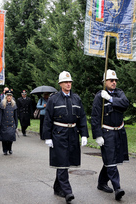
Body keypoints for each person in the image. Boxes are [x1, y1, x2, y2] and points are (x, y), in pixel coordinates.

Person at [43, 71, 88, 203]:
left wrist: (84, 133)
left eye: (70, 82)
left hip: (73, 133)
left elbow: (82, 117)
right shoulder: (54, 99)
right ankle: (67, 191)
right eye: (66, 82)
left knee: (66, 161)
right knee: (62, 160)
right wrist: (48, 136)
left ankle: (58, 187)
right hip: (59, 133)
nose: (68, 84)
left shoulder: (76, 98)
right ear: (60, 84)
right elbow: (48, 118)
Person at [91, 69, 129, 201]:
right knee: (111, 160)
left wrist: (111, 99)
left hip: (119, 131)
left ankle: (101, 182)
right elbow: (95, 117)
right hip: (107, 131)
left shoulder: (119, 93)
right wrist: (97, 135)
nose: (113, 82)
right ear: (104, 82)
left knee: (112, 159)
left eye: (115, 80)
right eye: (111, 80)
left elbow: (125, 104)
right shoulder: (99, 96)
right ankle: (117, 188)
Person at [0, 90, 18, 155]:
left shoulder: (14, 105)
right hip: (4, 123)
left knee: (10, 138)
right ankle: (5, 150)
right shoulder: (2, 104)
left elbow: (15, 116)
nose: (9, 97)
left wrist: (16, 124)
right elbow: (0, 114)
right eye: (8, 96)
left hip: (11, 123)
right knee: (4, 138)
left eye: (10, 96)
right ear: (6, 97)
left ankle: (10, 148)